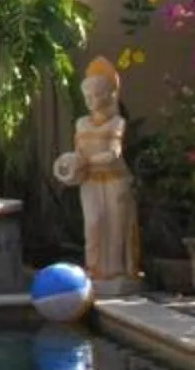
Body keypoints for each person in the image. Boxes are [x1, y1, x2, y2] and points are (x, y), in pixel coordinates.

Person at [53, 56, 140, 286]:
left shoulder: (117, 123)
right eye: (87, 96)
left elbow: (112, 155)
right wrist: (71, 164)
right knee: (93, 224)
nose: (91, 101)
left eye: (96, 95)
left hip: (115, 181)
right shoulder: (81, 124)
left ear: (111, 95)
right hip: (90, 181)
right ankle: (94, 270)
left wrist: (85, 162)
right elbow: (78, 153)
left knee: (116, 229)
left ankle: (118, 273)